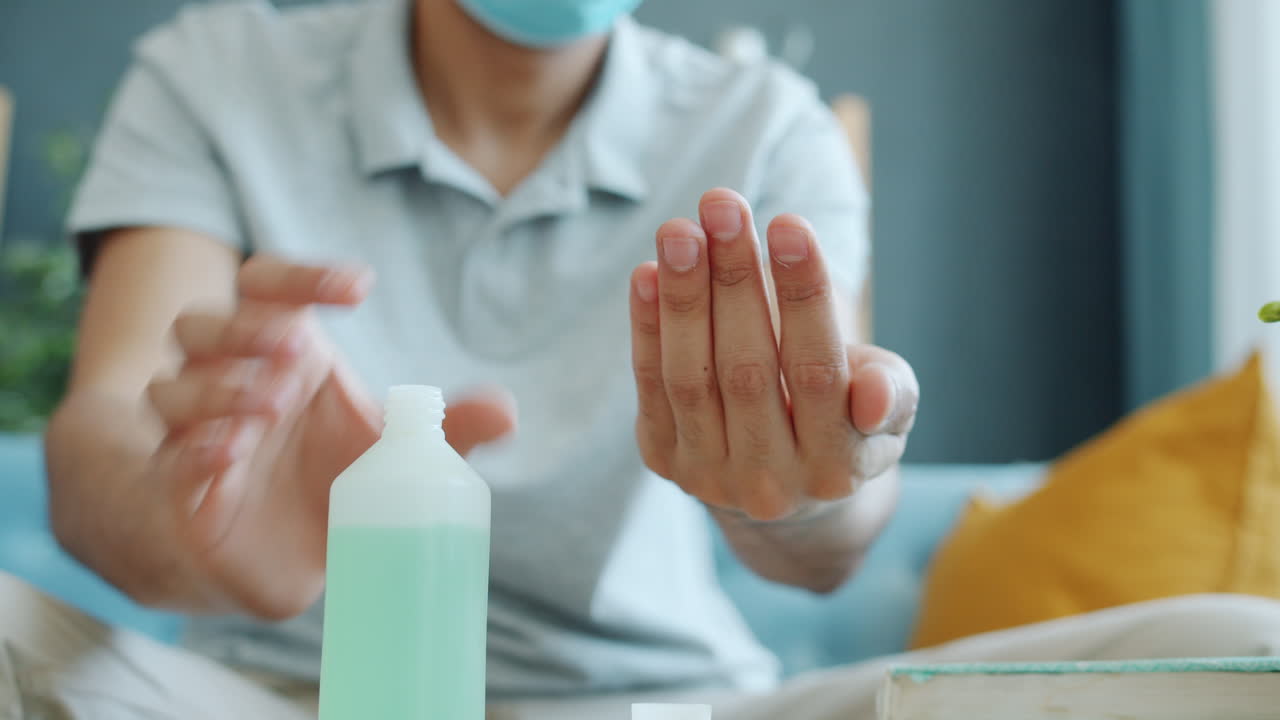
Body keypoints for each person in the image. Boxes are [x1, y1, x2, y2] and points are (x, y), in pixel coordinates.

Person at [2, 0, 1278, 718]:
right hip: (278, 701)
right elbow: (102, 437)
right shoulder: (216, 72)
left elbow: (828, 533)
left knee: (1230, 654)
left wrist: (810, 484)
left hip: (680, 714)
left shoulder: (762, 128)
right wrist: (195, 518)